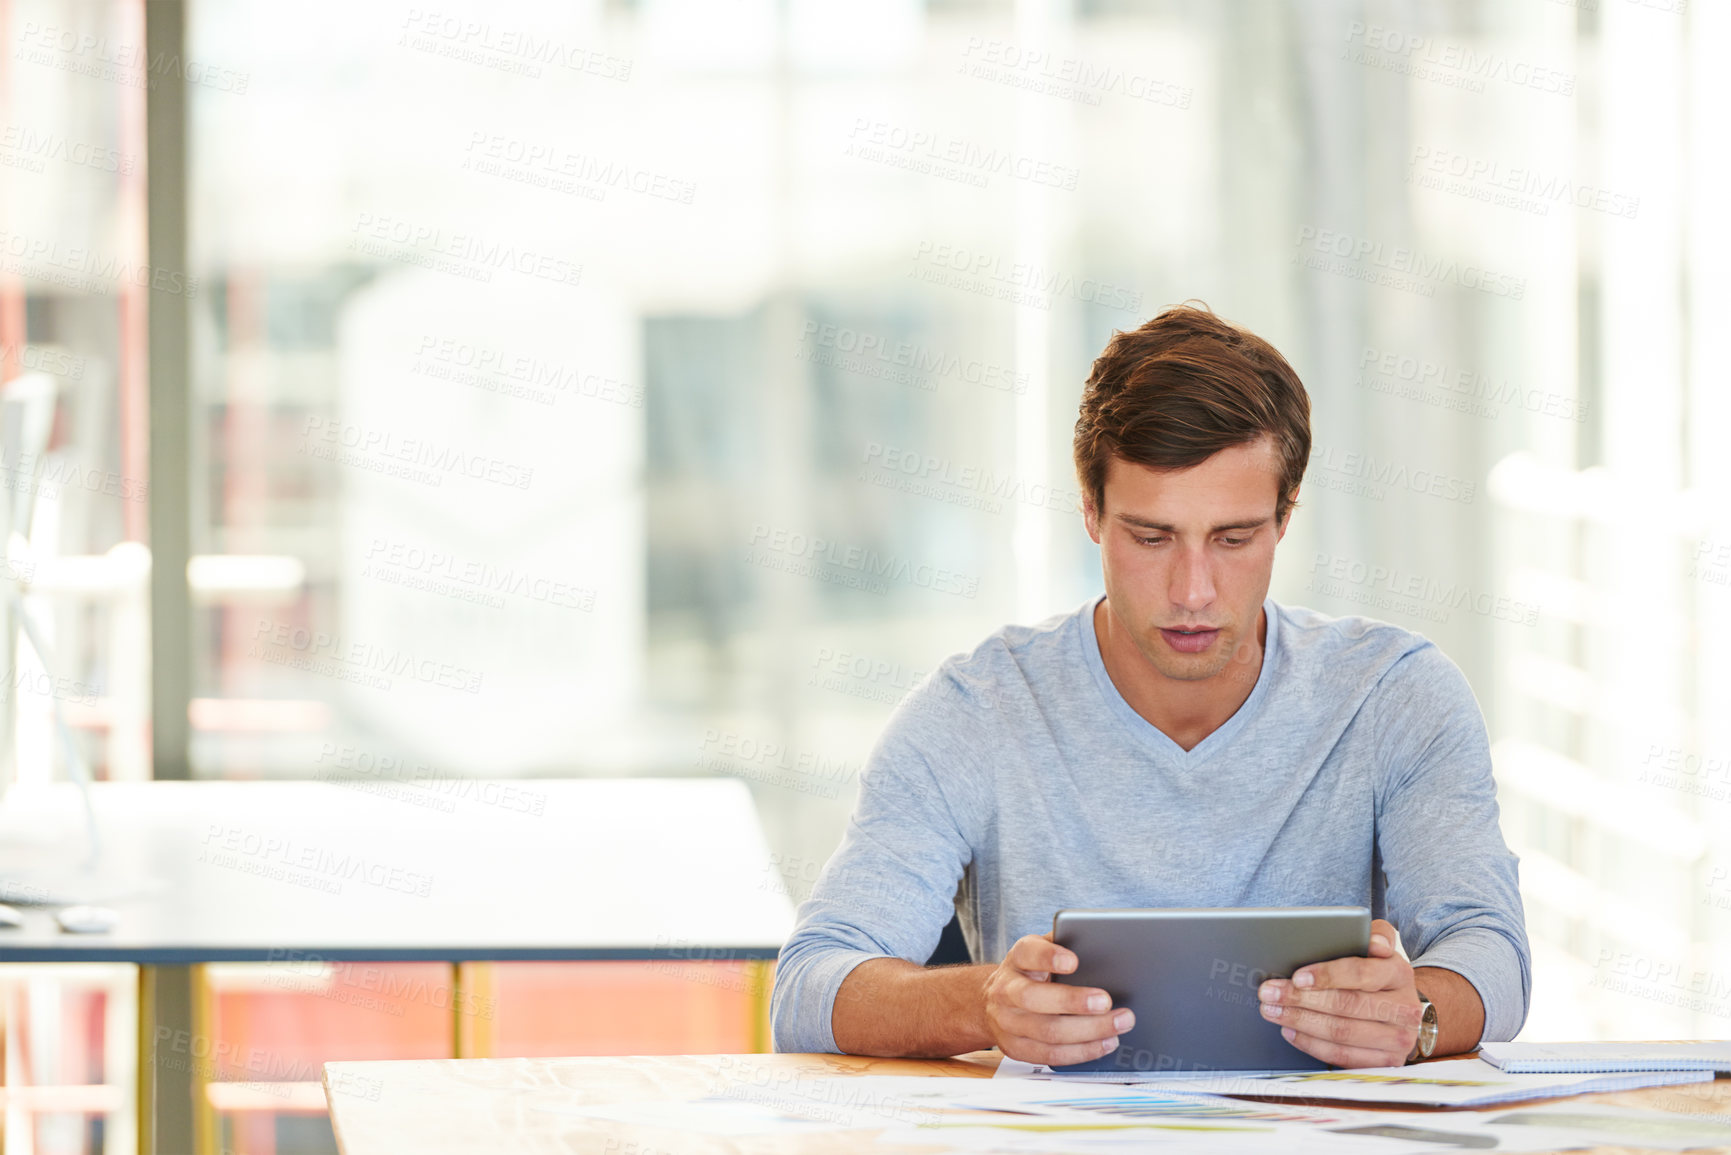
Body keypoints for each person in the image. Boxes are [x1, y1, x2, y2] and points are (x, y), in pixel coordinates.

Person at [769, 304, 1529, 1069]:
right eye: (1151, 536)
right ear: (1090, 510)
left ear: (1285, 516)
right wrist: (983, 1003)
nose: (1192, 589)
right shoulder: (977, 711)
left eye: (1233, 539)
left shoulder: (1395, 697)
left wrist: (1419, 1014)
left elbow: (1490, 947)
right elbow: (808, 987)